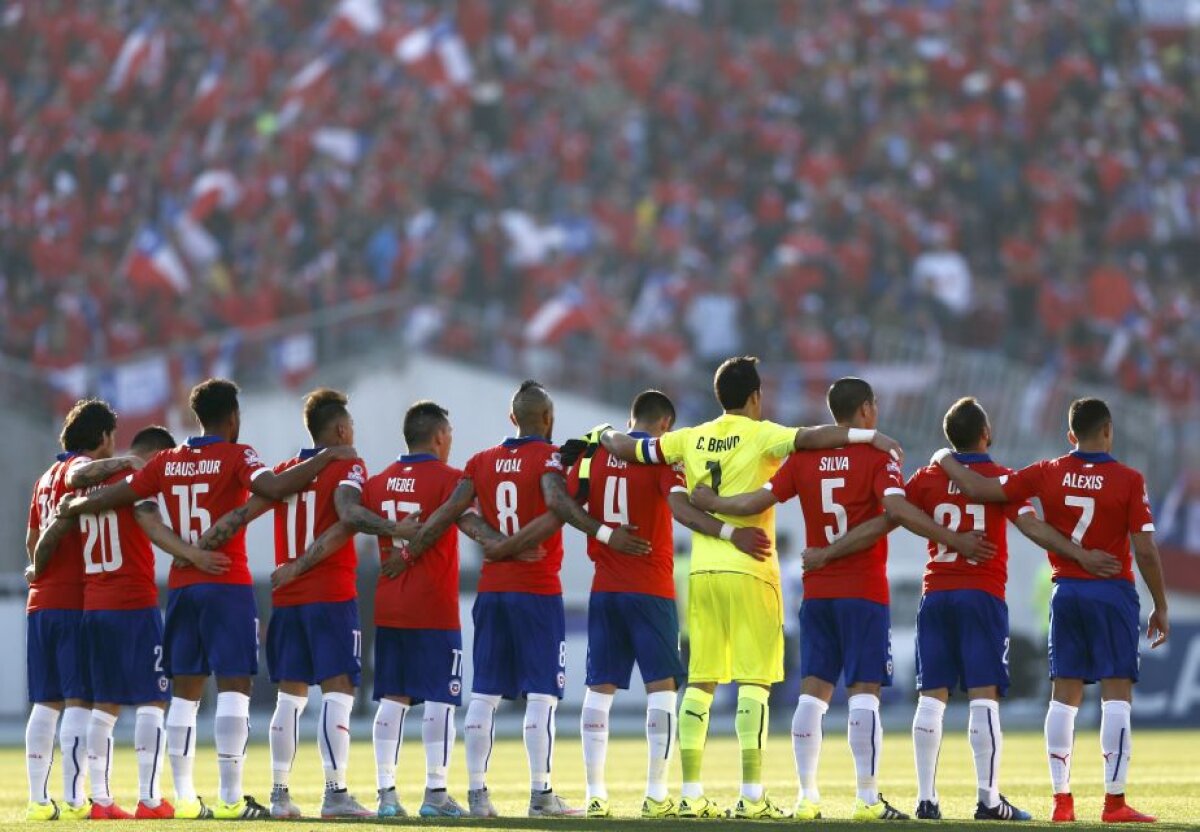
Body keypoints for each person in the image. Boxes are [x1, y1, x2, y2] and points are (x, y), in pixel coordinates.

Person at [598, 358, 904, 819]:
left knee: (700, 684)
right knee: (754, 684)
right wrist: (867, 436)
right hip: (752, 567)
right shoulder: (764, 435)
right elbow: (811, 437)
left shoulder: (688, 437)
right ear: (756, 396)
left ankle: (690, 793)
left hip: (703, 572)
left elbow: (626, 445)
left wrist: (603, 432)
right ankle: (751, 795)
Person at [691, 377, 994, 821]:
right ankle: (867, 800)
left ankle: (806, 798)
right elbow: (896, 510)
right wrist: (956, 540)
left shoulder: (803, 458)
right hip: (862, 591)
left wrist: (711, 501)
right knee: (864, 693)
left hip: (817, 593)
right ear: (866, 409)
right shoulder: (878, 457)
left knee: (812, 695)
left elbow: (756, 500)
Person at [58, 378, 356, 820]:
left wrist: (79, 506)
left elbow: (125, 493)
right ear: (233, 417)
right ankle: (231, 798)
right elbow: (273, 488)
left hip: (183, 587)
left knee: (185, 694)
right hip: (225, 580)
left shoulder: (169, 460)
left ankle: (184, 797)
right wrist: (328, 456)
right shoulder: (238, 455)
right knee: (234, 687)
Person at [812, 397, 1114, 820]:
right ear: (985, 434)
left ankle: (926, 799)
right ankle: (988, 800)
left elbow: (892, 516)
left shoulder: (927, 478)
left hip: (936, 595)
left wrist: (832, 549)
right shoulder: (1000, 478)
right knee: (983, 698)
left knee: (931, 698)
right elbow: (1032, 526)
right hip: (981, 597)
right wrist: (1079, 554)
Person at [931, 397, 1170, 823]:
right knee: (1116, 695)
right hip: (1112, 591)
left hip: (1067, 592)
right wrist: (1160, 605)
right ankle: (1114, 803)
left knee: (1064, 698)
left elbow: (979, 489)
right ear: (1108, 430)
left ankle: (1062, 802)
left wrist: (943, 458)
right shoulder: (1130, 479)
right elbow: (1146, 550)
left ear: (1071, 435)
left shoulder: (1047, 471)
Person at [195, 388, 419, 819]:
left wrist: (198, 547)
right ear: (341, 429)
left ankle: (280, 796)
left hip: (287, 599)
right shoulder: (348, 465)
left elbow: (241, 514)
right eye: (351, 425)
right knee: (339, 692)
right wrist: (396, 529)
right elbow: (348, 516)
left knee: (289, 698)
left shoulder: (286, 471)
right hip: (329, 595)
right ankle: (335, 794)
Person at [554, 390, 770, 819]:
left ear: (631, 418)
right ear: (666, 424)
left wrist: (602, 534)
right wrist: (731, 534)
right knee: (662, 689)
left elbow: (564, 504)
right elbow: (683, 512)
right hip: (650, 590)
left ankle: (595, 796)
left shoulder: (594, 455)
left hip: (605, 588)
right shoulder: (660, 459)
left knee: (599, 691)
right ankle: (656, 795)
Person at [33, 425, 229, 819]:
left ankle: (101, 801)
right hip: (134, 603)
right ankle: (150, 799)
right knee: (153, 700)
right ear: (156, 455)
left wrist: (35, 567)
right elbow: (151, 525)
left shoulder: (88, 486)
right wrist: (190, 554)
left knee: (103, 706)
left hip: (93, 605)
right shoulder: (135, 482)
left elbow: (55, 528)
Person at [404, 381, 579, 818]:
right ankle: (541, 797)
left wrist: (413, 549)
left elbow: (452, 512)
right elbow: (557, 504)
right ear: (548, 418)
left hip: (493, 591)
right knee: (542, 695)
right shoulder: (550, 458)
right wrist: (515, 545)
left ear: (512, 418)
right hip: (537, 590)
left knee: (484, 695)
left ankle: (478, 797)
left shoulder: (481, 460)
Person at [361, 400, 515, 818]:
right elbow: (468, 523)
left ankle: (386, 796)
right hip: (433, 606)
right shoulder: (451, 480)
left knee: (392, 700)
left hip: (390, 602)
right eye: (450, 435)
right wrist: (504, 543)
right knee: (440, 699)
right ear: (439, 436)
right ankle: (436, 794)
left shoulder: (378, 483)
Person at [24, 399, 133, 821]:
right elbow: (81, 474)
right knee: (79, 701)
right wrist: (133, 462)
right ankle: (73, 800)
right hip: (72, 601)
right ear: (102, 437)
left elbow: (32, 540)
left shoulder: (43, 479)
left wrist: (40, 572)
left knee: (45, 702)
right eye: (112, 438)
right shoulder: (80, 470)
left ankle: (38, 802)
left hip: (40, 602)